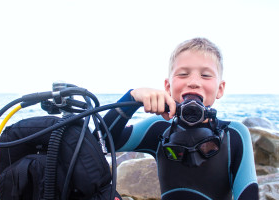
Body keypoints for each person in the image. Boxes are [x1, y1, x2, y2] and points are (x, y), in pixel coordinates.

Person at [103, 37, 258, 199]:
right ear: (168, 87)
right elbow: (102, 142)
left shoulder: (234, 134)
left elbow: (249, 194)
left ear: (220, 88)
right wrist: (132, 99)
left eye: (205, 75)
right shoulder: (159, 127)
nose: (193, 82)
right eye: (183, 74)